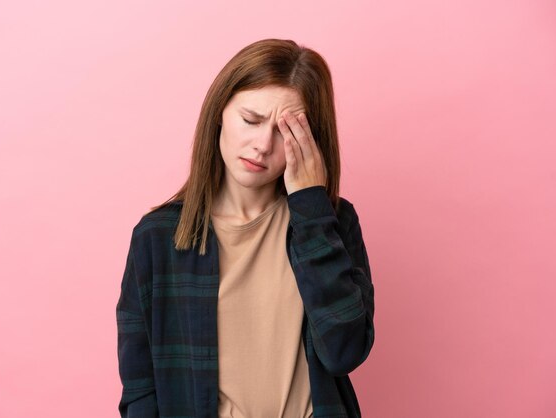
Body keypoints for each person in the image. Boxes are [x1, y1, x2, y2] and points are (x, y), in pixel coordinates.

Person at [116, 38, 375, 418]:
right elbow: (140, 390)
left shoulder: (331, 222)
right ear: (220, 111)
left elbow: (345, 351)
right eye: (251, 120)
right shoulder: (157, 238)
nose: (262, 145)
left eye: (286, 133)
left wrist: (311, 208)